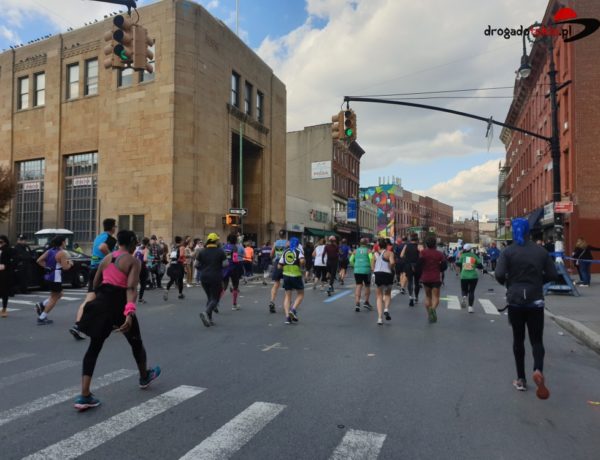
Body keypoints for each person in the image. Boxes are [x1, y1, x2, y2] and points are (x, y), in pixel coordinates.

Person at [74, 230, 161, 410]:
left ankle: (84, 395)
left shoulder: (106, 259)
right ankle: (144, 376)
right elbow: (131, 288)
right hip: (120, 304)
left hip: (102, 303)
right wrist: (129, 313)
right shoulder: (133, 261)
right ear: (131, 242)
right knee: (136, 342)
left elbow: (96, 283)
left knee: (93, 348)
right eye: (135, 242)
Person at [495, 218, 558, 399]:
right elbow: (553, 274)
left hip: (515, 301)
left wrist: (509, 284)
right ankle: (538, 369)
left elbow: (499, 274)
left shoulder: (508, 251)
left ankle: (521, 379)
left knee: (518, 340)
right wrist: (538, 282)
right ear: (529, 232)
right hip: (535, 300)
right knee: (537, 340)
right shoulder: (541, 251)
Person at [70, 219, 117, 340]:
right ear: (112, 228)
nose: (115, 228)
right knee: (110, 297)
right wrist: (112, 259)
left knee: (89, 299)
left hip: (93, 269)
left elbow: (97, 248)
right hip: (102, 271)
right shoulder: (111, 239)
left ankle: (77, 325)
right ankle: (107, 323)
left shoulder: (98, 237)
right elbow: (103, 247)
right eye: (115, 226)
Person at [36, 235, 74, 325]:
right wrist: (70, 263)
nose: (65, 243)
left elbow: (39, 260)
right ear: (62, 242)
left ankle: (42, 304)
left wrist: (48, 267)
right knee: (54, 298)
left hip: (48, 276)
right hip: (56, 278)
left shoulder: (49, 251)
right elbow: (65, 267)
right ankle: (42, 317)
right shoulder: (62, 253)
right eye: (65, 241)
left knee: (59, 294)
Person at [197, 233, 227, 327]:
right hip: (215, 276)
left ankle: (209, 319)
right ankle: (206, 313)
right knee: (215, 298)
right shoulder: (220, 251)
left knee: (210, 298)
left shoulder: (202, 251)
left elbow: (196, 264)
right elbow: (225, 264)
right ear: (216, 241)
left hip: (204, 277)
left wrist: (203, 269)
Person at [418, 236, 447, 323]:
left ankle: (429, 314)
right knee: (436, 297)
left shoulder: (423, 253)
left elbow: (419, 264)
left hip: (425, 277)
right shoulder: (439, 254)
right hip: (436, 278)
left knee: (428, 296)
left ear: (426, 244)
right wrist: (439, 268)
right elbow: (444, 266)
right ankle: (433, 309)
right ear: (435, 244)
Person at [279, 238, 305, 325]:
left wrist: (286, 267)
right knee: (300, 294)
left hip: (286, 276)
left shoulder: (285, 252)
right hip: (296, 275)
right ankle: (293, 310)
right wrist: (302, 264)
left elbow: (279, 265)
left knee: (287, 296)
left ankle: (287, 318)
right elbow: (302, 261)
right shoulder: (298, 251)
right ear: (297, 244)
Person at [372, 237, 395, 326]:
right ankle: (386, 309)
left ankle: (379, 318)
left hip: (378, 274)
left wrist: (375, 271)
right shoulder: (390, 253)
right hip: (387, 274)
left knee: (379, 296)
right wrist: (390, 267)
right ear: (386, 246)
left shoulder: (375, 254)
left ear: (379, 246)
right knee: (388, 294)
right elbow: (392, 263)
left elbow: (372, 266)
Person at [456, 244, 482, 313]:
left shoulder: (462, 256)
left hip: (464, 276)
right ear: (471, 249)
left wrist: (462, 263)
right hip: (473, 276)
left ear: (464, 249)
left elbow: (458, 263)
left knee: (464, 289)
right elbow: (480, 265)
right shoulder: (474, 256)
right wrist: (474, 265)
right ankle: (470, 307)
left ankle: (464, 296)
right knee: (471, 291)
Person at [350, 238, 373, 312]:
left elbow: (350, 260)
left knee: (358, 285)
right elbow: (371, 259)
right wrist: (372, 267)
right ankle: (366, 302)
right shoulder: (369, 251)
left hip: (357, 270)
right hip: (366, 270)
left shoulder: (355, 251)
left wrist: (355, 265)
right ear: (366, 244)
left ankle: (357, 303)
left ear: (360, 243)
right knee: (367, 286)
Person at [222, 234, 244, 310]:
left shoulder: (224, 247)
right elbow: (235, 259)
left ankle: (216, 302)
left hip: (225, 268)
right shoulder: (234, 247)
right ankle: (234, 305)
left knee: (224, 286)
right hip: (233, 268)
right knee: (235, 286)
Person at [268, 230, 288, 313]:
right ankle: (286, 304)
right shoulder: (288, 243)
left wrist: (275, 256)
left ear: (279, 235)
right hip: (286, 264)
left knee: (276, 283)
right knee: (287, 285)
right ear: (285, 235)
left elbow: (271, 254)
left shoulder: (276, 243)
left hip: (277, 263)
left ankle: (272, 301)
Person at [401, 233, 421, 306]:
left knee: (410, 281)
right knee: (417, 282)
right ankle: (416, 297)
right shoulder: (419, 246)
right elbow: (423, 255)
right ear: (417, 238)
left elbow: (401, 255)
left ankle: (410, 297)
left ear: (410, 238)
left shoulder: (406, 246)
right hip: (417, 265)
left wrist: (407, 257)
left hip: (408, 265)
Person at [164, 236, 186, 300]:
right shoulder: (182, 247)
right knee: (180, 279)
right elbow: (181, 255)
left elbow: (171, 256)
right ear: (180, 241)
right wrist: (185, 257)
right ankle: (180, 294)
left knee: (172, 279)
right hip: (179, 264)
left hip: (173, 264)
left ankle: (166, 290)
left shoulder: (174, 247)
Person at [0, 235, 15, 317]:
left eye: (1, 242)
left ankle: (4, 309)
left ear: (5, 242)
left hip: (5, 273)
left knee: (4, 291)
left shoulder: (9, 250)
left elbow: (14, 260)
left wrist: (6, 265)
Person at [134, 238, 150, 304]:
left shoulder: (137, 248)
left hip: (135, 267)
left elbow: (133, 256)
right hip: (142, 267)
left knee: (134, 283)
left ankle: (132, 298)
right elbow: (145, 259)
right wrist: (148, 260)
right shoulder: (146, 250)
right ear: (147, 243)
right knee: (143, 284)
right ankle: (140, 299)